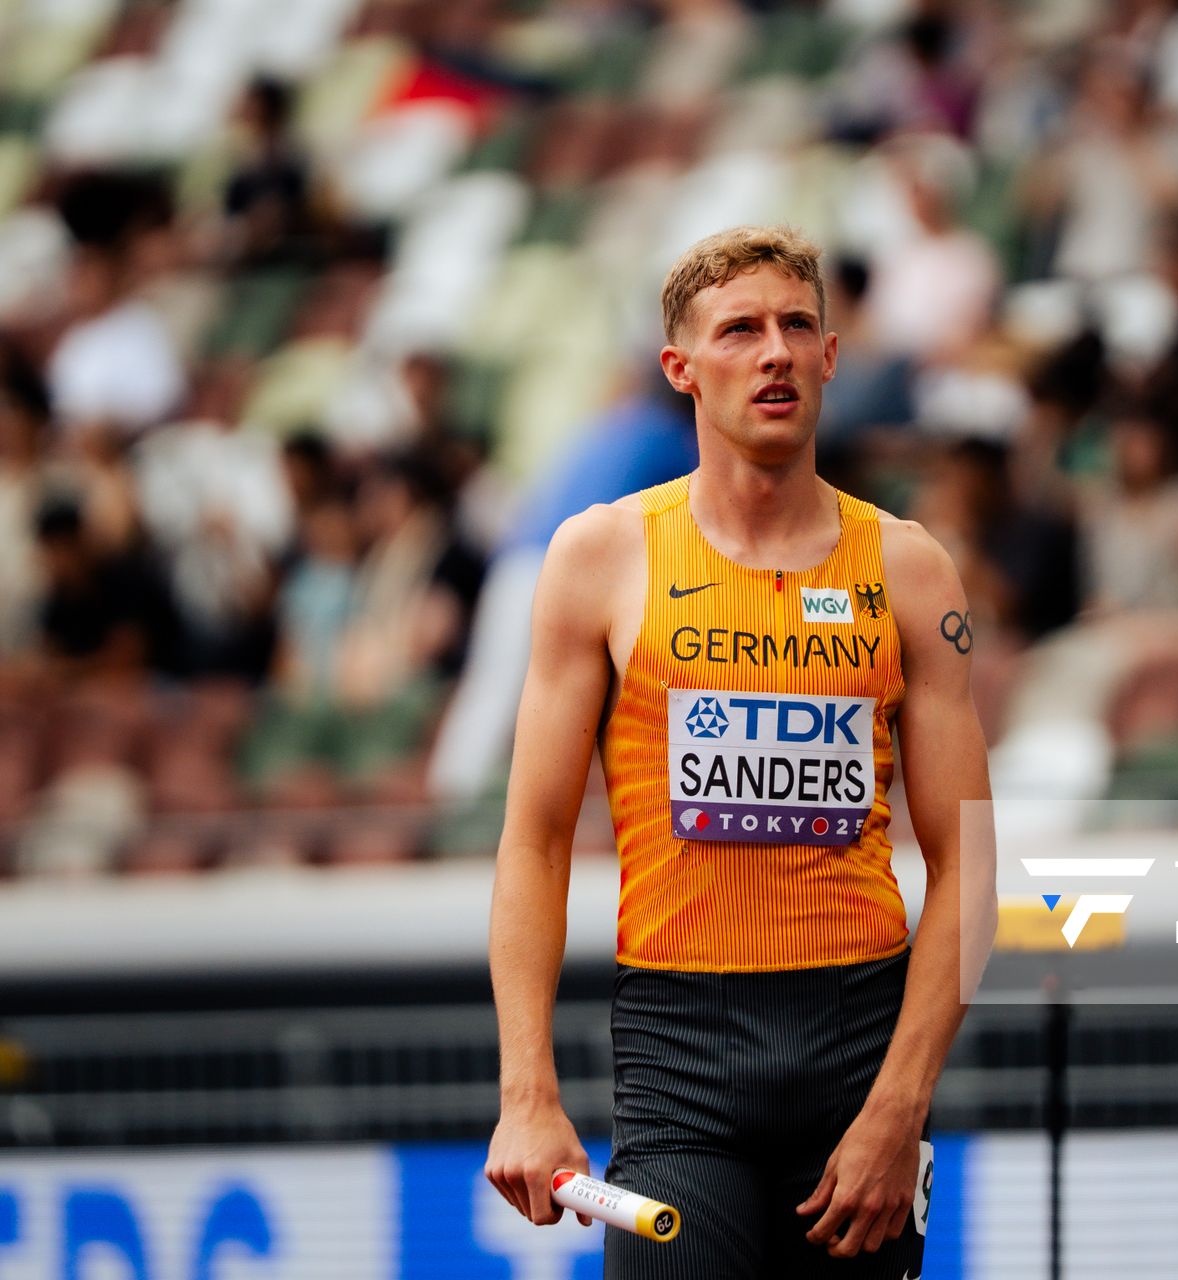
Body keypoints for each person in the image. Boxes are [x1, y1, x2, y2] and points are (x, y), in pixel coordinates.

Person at [483, 225, 996, 1279]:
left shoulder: (909, 570)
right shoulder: (601, 557)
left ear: (831, 356)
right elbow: (534, 841)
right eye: (740, 331)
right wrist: (526, 1093)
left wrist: (900, 1107)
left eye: (797, 326)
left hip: (857, 1052)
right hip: (681, 1060)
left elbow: (970, 864)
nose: (775, 353)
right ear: (681, 367)